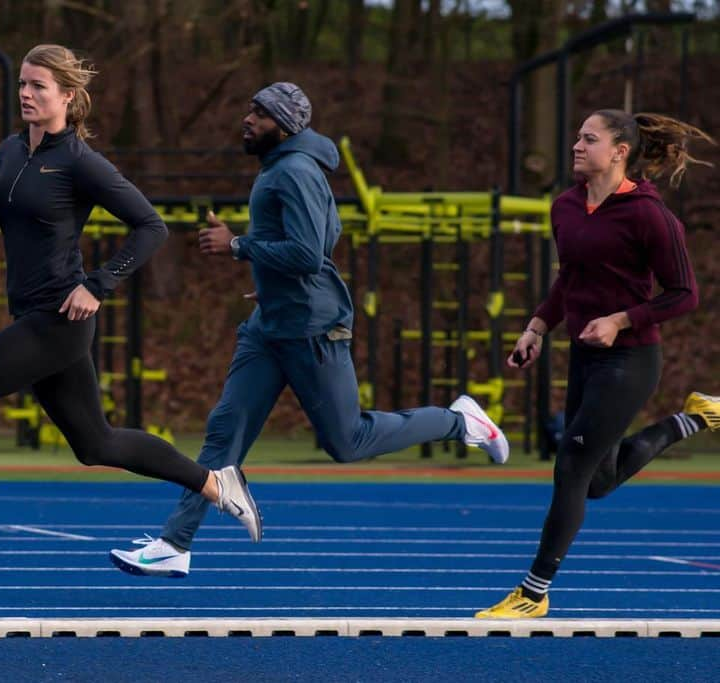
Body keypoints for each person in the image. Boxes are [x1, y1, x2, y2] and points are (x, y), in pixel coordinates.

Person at [0, 44, 260, 581]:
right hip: (34, 316)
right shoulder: (8, 151)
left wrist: (97, 284)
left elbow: (151, 227)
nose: (26, 94)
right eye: (23, 84)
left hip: (58, 320)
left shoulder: (79, 161)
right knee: (95, 443)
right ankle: (217, 484)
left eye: (38, 87)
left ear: (67, 97)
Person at [110, 82, 510, 579]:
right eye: (249, 109)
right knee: (225, 432)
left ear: (284, 125)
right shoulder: (284, 168)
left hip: (312, 331)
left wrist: (239, 246)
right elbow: (328, 234)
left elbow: (308, 253)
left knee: (349, 442)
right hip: (269, 326)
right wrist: (271, 284)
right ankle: (176, 542)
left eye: (258, 113)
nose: (247, 119)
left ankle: (461, 422)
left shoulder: (294, 172)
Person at [476, 109, 718, 618]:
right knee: (599, 481)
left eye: (589, 139)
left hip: (630, 361)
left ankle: (533, 592)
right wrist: (537, 327)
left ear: (619, 151)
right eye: (577, 138)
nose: (577, 147)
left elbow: (685, 295)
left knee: (570, 468)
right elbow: (570, 280)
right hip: (585, 360)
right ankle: (695, 417)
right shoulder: (564, 206)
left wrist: (621, 320)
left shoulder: (649, 214)